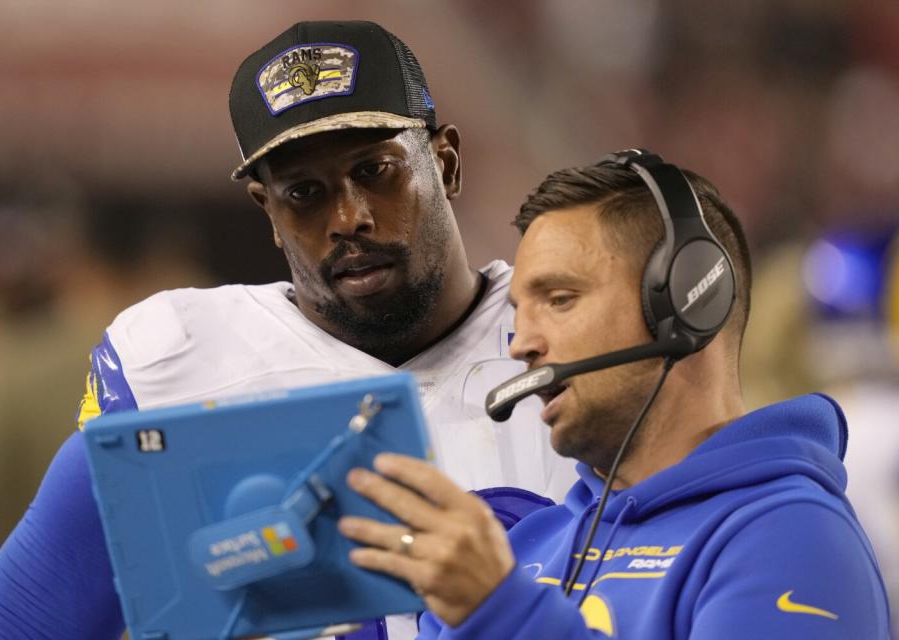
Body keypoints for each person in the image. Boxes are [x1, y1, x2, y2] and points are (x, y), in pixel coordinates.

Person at [0, 20, 576, 640]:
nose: (349, 218)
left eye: (376, 171)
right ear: (269, 212)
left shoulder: (582, 340)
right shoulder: (176, 363)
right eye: (305, 192)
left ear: (444, 163)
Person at [337, 155, 892, 638]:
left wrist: (504, 616)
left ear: (688, 303)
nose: (522, 345)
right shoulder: (524, 549)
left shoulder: (792, 539)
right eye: (518, 313)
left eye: (559, 299)